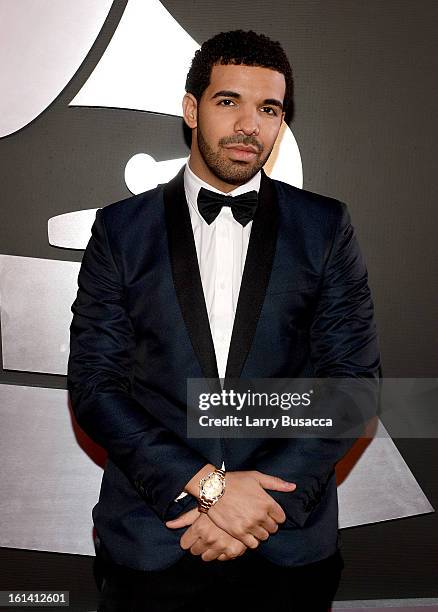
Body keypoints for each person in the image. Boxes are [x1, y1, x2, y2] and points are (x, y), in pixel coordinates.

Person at [67, 30, 380, 611]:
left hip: (283, 538)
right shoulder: (120, 230)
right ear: (191, 108)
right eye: (228, 100)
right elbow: (95, 385)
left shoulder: (326, 226)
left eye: (269, 109)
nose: (249, 125)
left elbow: (354, 385)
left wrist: (257, 506)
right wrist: (210, 489)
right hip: (154, 536)